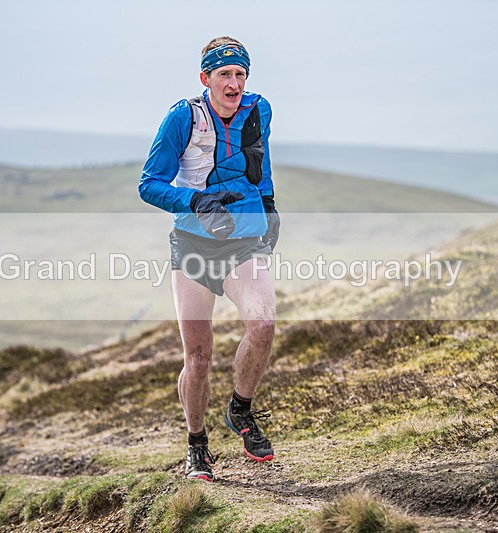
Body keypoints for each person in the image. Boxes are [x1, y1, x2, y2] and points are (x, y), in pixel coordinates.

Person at [139, 36, 280, 482]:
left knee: (263, 325)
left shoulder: (259, 111)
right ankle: (196, 444)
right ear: (206, 79)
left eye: (240, 74)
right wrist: (196, 201)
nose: (234, 83)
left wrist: (271, 206)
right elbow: (149, 184)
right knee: (198, 357)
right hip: (194, 246)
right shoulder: (183, 117)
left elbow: (261, 162)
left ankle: (240, 409)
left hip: (242, 241)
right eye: (225, 74)